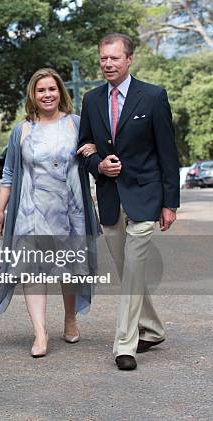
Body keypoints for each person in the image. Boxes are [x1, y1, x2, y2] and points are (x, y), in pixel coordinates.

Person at [77, 33, 180, 370]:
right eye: (103, 59)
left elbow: (168, 153)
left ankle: (125, 344)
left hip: (146, 196)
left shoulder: (152, 97)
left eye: (114, 59)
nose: (108, 64)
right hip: (109, 198)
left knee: (134, 267)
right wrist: (99, 165)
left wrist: (170, 203)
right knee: (128, 271)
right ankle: (152, 329)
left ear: (129, 59)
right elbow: (84, 147)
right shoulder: (92, 100)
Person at [0, 68, 100, 357]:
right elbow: (9, 172)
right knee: (31, 270)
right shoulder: (22, 130)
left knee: (69, 267)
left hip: (71, 210)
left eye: (52, 89)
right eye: (41, 90)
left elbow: (93, 157)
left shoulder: (76, 124)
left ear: (61, 92)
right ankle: (40, 332)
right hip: (29, 211)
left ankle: (70, 319)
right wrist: (0, 210)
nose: (47, 94)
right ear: (33, 96)